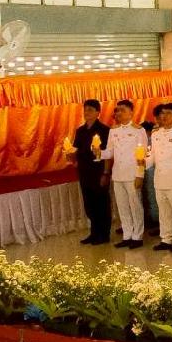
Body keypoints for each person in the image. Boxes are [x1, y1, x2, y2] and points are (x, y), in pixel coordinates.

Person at [103, 99, 147, 249]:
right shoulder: (113, 131)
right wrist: (98, 152)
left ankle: (137, 236)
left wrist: (140, 175)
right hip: (118, 174)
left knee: (135, 205)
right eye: (117, 110)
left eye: (123, 110)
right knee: (122, 206)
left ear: (131, 113)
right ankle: (127, 235)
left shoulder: (138, 130)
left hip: (132, 173)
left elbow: (142, 155)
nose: (119, 113)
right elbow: (110, 152)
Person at [67, 99, 112, 245]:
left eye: (90, 110)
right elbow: (76, 149)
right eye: (85, 110)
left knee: (101, 203)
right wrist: (70, 155)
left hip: (98, 171)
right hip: (85, 171)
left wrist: (106, 173)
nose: (87, 112)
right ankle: (94, 233)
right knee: (89, 203)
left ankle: (104, 234)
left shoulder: (105, 130)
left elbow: (108, 153)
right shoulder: (80, 130)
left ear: (98, 112)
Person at [146, 103, 172, 252]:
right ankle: (166, 238)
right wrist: (143, 162)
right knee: (163, 211)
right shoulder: (156, 134)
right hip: (159, 178)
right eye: (162, 113)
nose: (164, 116)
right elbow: (153, 156)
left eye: (168, 113)